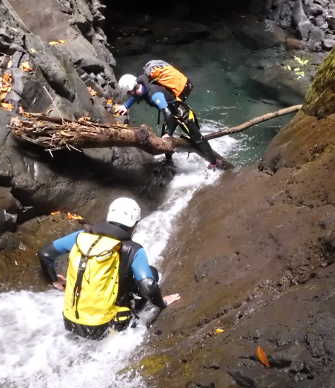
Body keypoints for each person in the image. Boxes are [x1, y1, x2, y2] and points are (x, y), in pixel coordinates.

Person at [38, 197, 181, 339]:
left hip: (69, 322)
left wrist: (54, 280)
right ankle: (135, 313)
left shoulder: (80, 236)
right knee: (152, 273)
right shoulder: (133, 250)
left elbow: (44, 254)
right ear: (134, 224)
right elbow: (148, 285)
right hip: (103, 327)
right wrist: (161, 303)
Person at [114, 62, 219, 168]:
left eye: (128, 92)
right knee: (165, 141)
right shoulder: (142, 83)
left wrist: (168, 133)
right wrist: (126, 106)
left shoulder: (153, 94)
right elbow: (138, 95)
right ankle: (169, 164)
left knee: (198, 138)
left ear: (132, 90)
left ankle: (214, 163)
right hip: (171, 111)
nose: (129, 95)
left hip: (180, 113)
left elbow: (168, 114)